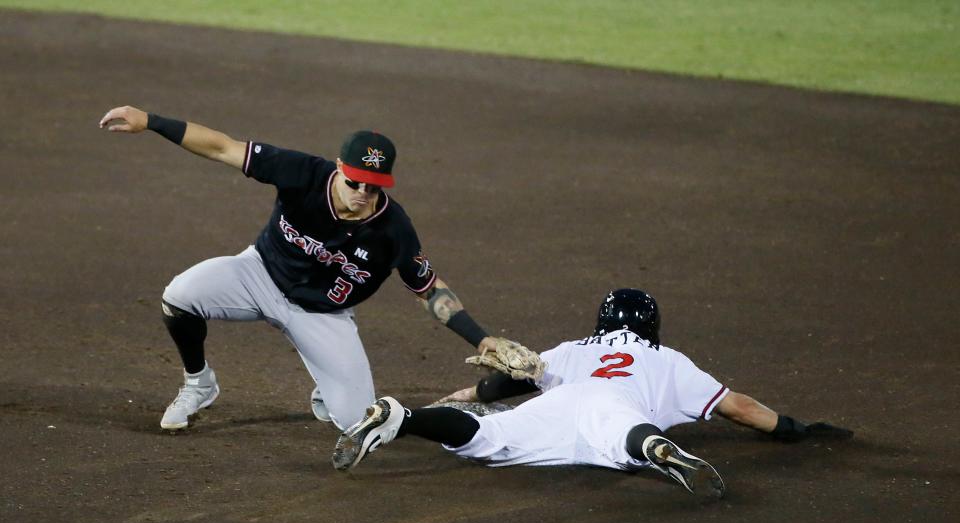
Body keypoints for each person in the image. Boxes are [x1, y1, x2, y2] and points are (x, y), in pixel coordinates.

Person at [99, 105, 508, 431]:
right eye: (355, 182)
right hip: (258, 275)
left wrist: (479, 338)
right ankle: (199, 383)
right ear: (338, 168)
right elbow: (222, 147)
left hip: (322, 315)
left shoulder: (393, 229)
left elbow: (428, 288)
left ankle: (327, 388)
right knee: (180, 296)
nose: (364, 193)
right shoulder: (302, 173)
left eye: (374, 185)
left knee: (356, 422)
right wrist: (151, 122)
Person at [331, 289, 852, 498]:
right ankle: (655, 449)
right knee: (624, 436)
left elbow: (504, 383)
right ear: (652, 326)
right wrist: (788, 427)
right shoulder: (666, 359)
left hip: (560, 403)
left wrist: (458, 398)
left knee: (487, 436)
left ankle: (402, 419)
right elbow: (737, 408)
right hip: (617, 410)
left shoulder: (572, 348)